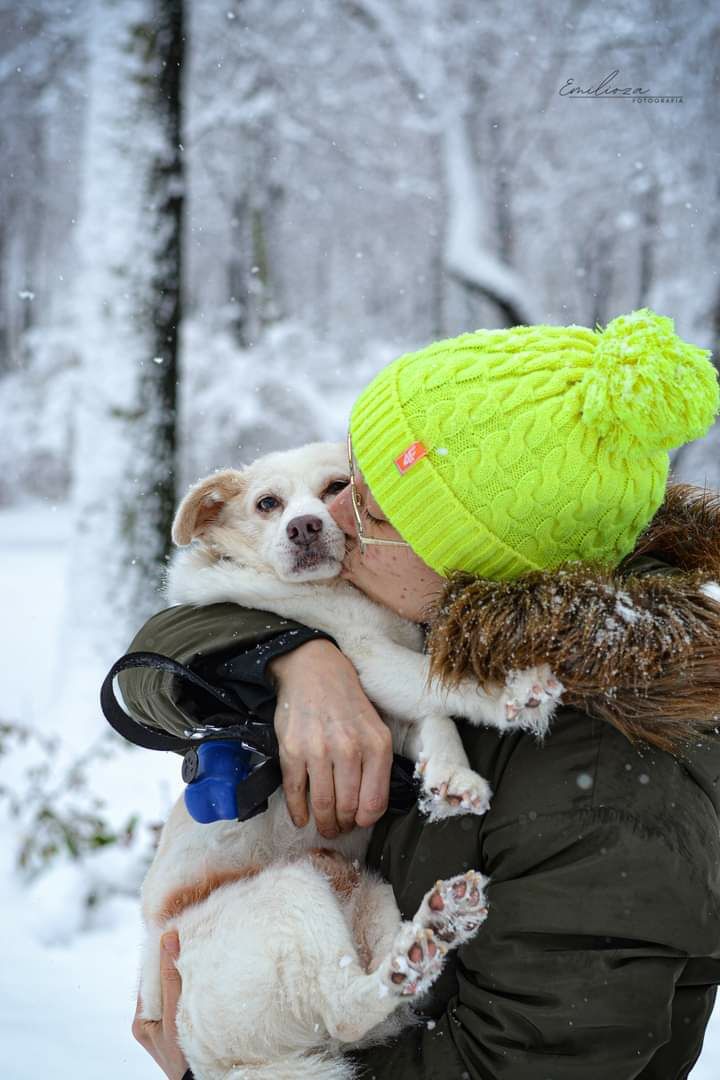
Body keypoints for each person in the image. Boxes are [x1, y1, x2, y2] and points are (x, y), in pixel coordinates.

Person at [126, 308, 720, 1079]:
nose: (326, 520)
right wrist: (294, 657)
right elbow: (154, 662)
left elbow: (510, 1065)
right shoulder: (419, 628)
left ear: (461, 555)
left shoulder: (612, 780)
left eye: (364, 506)